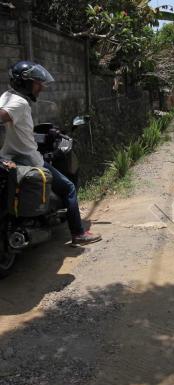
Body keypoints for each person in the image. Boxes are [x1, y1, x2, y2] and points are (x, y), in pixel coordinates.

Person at [0, 61, 101, 246]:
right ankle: (78, 234)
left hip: (7, 157)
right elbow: (3, 115)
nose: (40, 87)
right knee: (69, 187)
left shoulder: (7, 96)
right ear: (25, 83)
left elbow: (18, 129)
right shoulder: (20, 103)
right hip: (30, 159)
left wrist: (40, 135)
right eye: (37, 83)